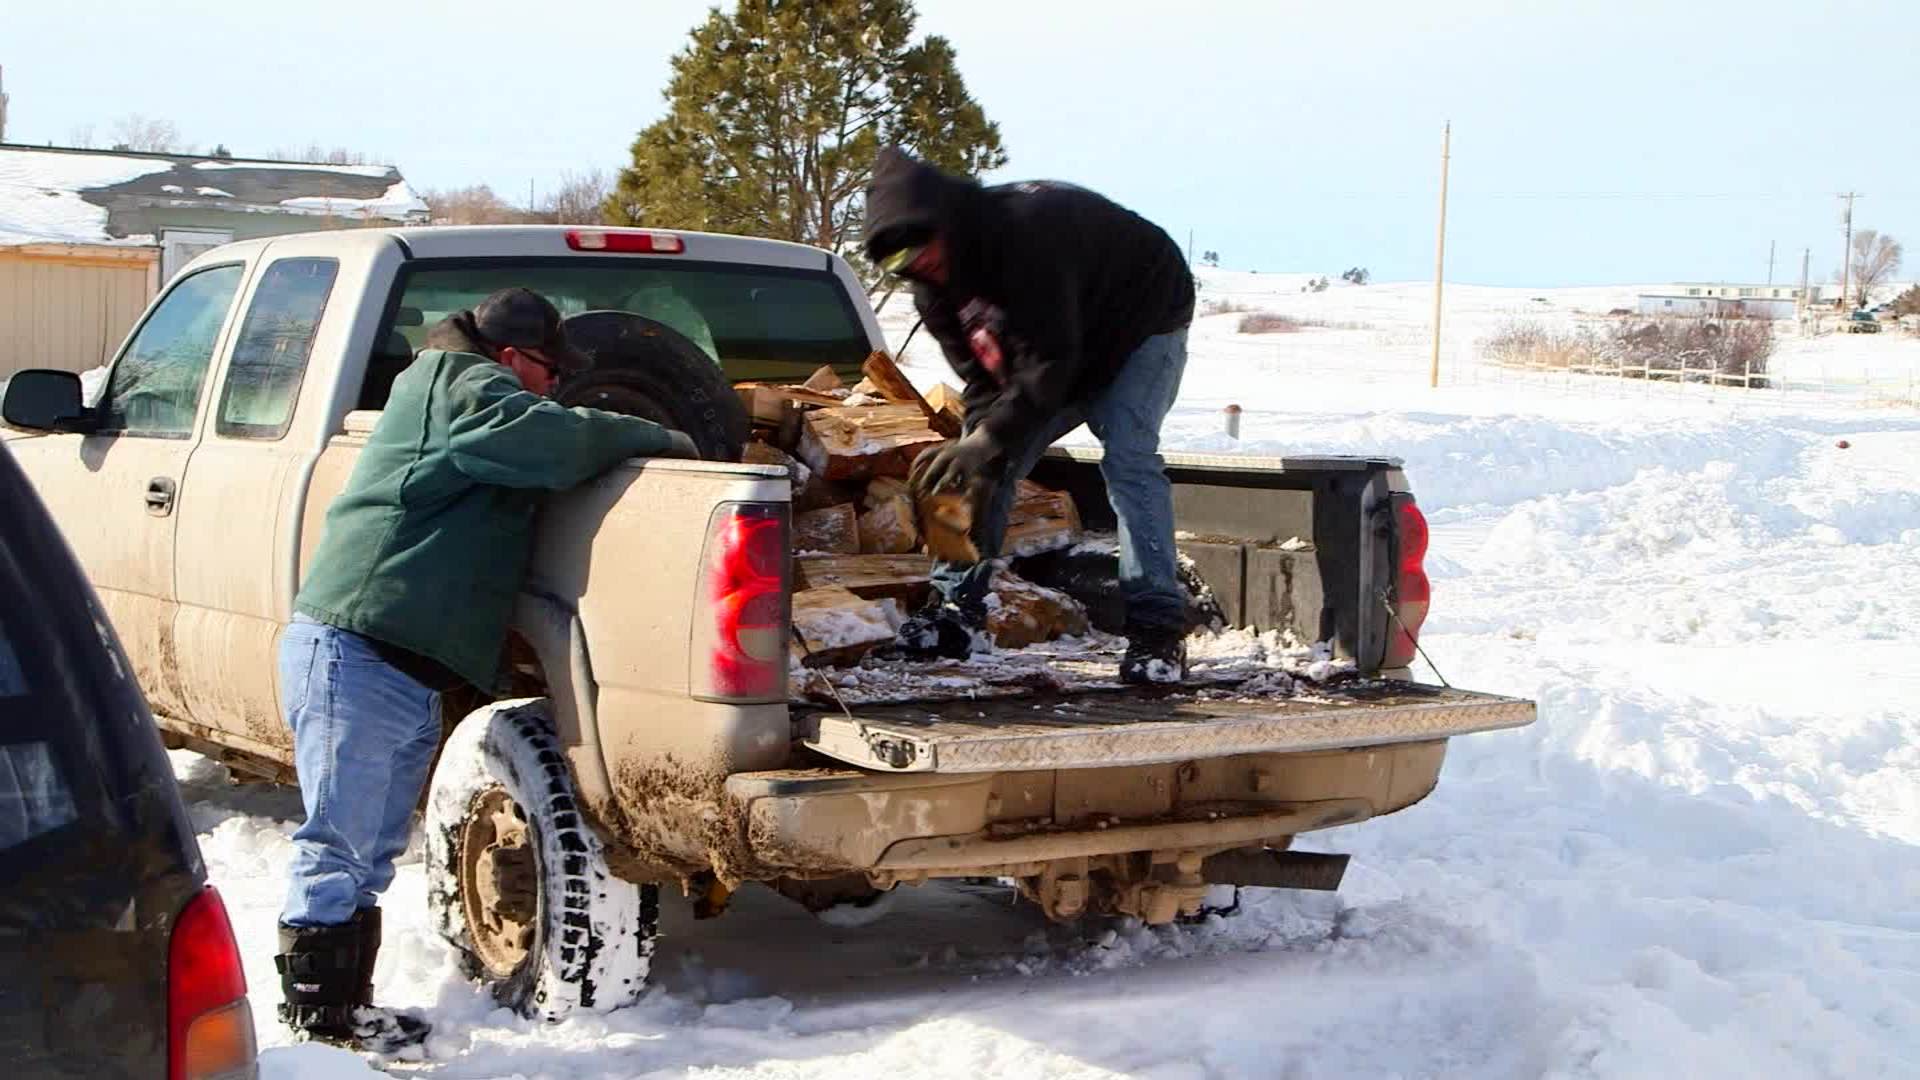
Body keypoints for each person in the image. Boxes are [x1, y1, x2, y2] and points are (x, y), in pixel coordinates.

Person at [273, 288, 697, 1050]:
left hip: (392, 661)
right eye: (548, 371)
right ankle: (317, 1024)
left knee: (366, 850)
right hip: (358, 650)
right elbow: (550, 443)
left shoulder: (453, 384)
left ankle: (340, 1010)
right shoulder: (463, 385)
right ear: (511, 356)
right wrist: (660, 436)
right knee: (338, 843)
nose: (553, 385)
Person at [862, 148, 1196, 683]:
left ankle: (1157, 632)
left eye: (920, 248)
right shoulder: (935, 289)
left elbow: (1052, 362)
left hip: (1141, 321)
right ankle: (954, 612)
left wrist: (991, 437)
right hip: (1058, 345)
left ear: (947, 224)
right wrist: (976, 445)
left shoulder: (1026, 238)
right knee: (969, 461)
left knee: (1130, 459)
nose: (917, 267)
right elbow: (983, 381)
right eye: (900, 266)